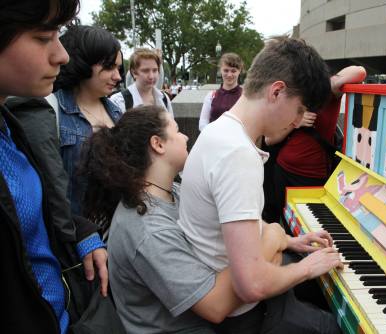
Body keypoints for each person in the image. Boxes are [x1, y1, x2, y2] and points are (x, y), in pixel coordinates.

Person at [79, 105, 323, 333]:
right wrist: (272, 239)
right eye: (176, 130)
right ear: (158, 144)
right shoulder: (146, 229)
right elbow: (216, 306)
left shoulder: (170, 191)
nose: (185, 137)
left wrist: (288, 242)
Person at [178, 37, 344, 333]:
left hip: (239, 288)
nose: (297, 123)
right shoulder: (237, 154)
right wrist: (307, 267)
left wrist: (291, 242)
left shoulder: (220, 132)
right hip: (247, 316)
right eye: (299, 110)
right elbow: (251, 285)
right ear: (277, 92)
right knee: (333, 325)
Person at [0, 1, 109, 333]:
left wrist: (79, 232)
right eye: (44, 36)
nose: (61, 55)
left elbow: (26, 215)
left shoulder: (9, 126)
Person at [265, 66, 367, 226]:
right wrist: (296, 122)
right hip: (283, 170)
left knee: (310, 226)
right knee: (282, 223)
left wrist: (329, 82)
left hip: (312, 176)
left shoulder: (327, 91)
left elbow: (359, 71)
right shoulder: (292, 95)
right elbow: (269, 139)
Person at [53, 25, 123, 216]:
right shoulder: (52, 111)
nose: (117, 76)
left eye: (118, 68)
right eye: (109, 67)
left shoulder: (117, 112)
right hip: (78, 232)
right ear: (83, 62)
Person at [110, 48, 174, 116]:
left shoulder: (164, 98)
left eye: (155, 70)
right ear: (134, 72)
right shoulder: (119, 101)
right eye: (145, 71)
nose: (151, 76)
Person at [198, 52, 244, 131]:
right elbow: (203, 123)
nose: (229, 75)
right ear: (220, 70)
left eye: (233, 71)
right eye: (226, 70)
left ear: (239, 71)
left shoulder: (245, 96)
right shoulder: (211, 96)